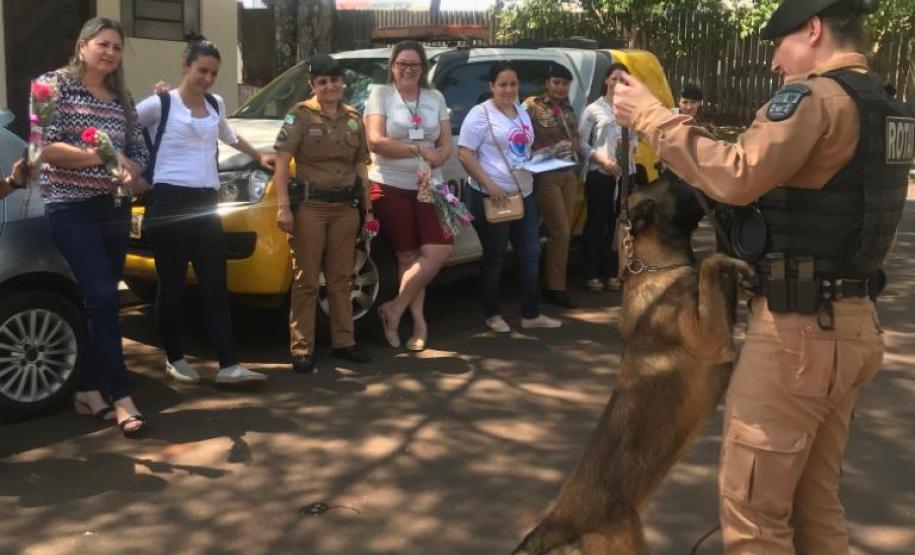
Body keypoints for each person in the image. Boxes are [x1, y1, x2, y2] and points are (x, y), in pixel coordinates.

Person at [612, 0, 914, 553]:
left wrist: (650, 117)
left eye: (779, 41)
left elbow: (736, 176)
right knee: (814, 503)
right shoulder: (884, 105)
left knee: (753, 515)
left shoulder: (818, 99)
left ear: (815, 29)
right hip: (851, 325)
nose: (774, 61)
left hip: (799, 337)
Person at [35, 17, 150, 436]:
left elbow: (136, 149)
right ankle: (121, 395)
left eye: (117, 48)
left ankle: (86, 389)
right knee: (103, 295)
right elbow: (43, 147)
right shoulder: (53, 86)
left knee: (98, 302)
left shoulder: (122, 96)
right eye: (103, 44)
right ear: (83, 46)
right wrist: (103, 157)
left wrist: (132, 172)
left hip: (114, 207)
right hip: (69, 207)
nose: (110, 53)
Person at [136, 38, 273, 386]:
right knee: (172, 286)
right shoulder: (160, 104)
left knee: (215, 284)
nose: (207, 79)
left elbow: (228, 134)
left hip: (206, 203)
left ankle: (228, 364)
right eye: (201, 71)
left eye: (213, 73)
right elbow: (123, 129)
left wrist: (259, 157)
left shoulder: (215, 103)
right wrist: (129, 173)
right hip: (168, 203)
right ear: (185, 66)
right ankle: (175, 358)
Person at [273, 54, 373, 373]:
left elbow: (361, 166)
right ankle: (302, 348)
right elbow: (280, 164)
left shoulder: (355, 117)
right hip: (311, 209)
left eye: (334, 80)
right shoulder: (299, 115)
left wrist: (368, 208)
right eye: (323, 82)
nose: (330, 87)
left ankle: (345, 343)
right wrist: (283, 207)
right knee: (306, 280)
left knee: (341, 279)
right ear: (313, 85)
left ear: (342, 82)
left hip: (345, 208)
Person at [457, 62, 561, 333]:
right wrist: (490, 185)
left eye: (513, 84)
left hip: (523, 193)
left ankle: (531, 314)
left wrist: (539, 162)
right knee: (495, 257)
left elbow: (523, 148)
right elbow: (465, 154)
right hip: (493, 197)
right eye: (502, 84)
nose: (508, 89)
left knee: (531, 254)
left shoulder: (522, 114)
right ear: (491, 86)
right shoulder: (480, 114)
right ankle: (493, 315)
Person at [365, 40, 453, 352]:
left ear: (423, 68)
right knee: (407, 255)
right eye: (402, 63)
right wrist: (417, 149)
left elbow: (445, 143)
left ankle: (395, 308)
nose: (408, 69)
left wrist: (438, 158)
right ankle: (418, 322)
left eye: (414, 64)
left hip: (431, 186)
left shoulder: (435, 97)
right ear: (392, 66)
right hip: (391, 184)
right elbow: (375, 141)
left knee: (438, 250)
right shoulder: (381, 94)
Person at [523, 63, 581, 309]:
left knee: (562, 231)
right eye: (556, 82)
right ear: (547, 83)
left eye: (565, 83)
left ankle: (551, 281)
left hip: (568, 174)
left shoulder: (568, 107)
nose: (560, 87)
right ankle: (555, 287)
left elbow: (575, 137)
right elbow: (521, 137)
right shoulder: (532, 106)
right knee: (560, 231)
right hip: (546, 176)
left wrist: (574, 146)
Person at [577, 63, 638, 293]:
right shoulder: (593, 110)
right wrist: (602, 160)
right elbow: (581, 142)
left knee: (618, 225)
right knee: (597, 223)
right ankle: (591, 272)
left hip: (624, 175)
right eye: (614, 78)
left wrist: (627, 154)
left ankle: (613, 271)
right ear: (606, 80)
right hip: (600, 174)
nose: (618, 84)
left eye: (623, 80)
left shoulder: (630, 110)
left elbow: (634, 141)